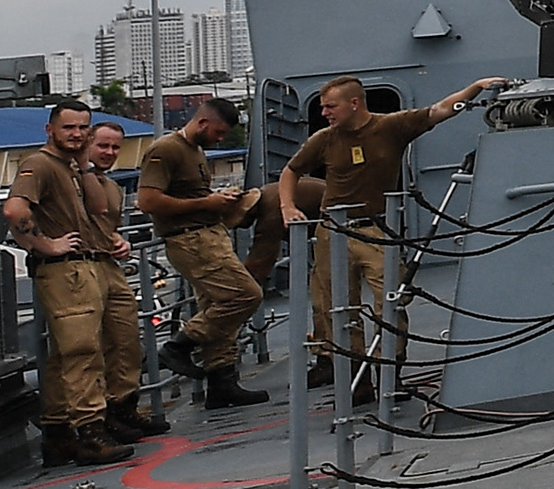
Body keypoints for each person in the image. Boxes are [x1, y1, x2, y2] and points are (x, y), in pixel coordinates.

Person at [279, 71, 504, 408]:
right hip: (333, 233)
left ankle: (389, 375)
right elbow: (291, 171)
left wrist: (475, 88)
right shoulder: (324, 139)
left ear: (354, 103)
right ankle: (357, 380)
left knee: (391, 304)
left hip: (375, 232)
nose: (325, 112)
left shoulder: (392, 126)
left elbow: (440, 111)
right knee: (338, 308)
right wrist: (287, 206)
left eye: (330, 106)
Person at [4, 102, 153, 464]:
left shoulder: (72, 167)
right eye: (69, 127)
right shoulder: (39, 164)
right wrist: (45, 244)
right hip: (65, 270)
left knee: (88, 348)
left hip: (89, 264)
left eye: (83, 127)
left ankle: (61, 432)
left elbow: (100, 209)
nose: (77, 134)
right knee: (81, 352)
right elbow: (14, 210)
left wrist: (84, 164)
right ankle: (88, 431)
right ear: (50, 129)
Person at [138, 94, 271, 412]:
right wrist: (205, 204)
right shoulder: (166, 150)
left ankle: (221, 383)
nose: (220, 139)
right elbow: (148, 201)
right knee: (244, 295)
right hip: (191, 240)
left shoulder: (195, 151)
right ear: (202, 122)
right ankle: (178, 346)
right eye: (219, 133)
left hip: (208, 234)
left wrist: (217, 200)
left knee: (217, 305)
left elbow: (189, 193)